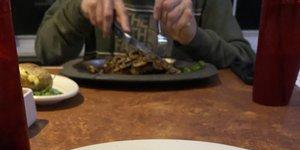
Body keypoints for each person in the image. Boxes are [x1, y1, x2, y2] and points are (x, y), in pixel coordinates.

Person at [35, 0, 255, 71]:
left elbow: (245, 62)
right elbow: (47, 53)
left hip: (190, 123)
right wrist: (79, 9)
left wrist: (194, 37)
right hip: (99, 121)